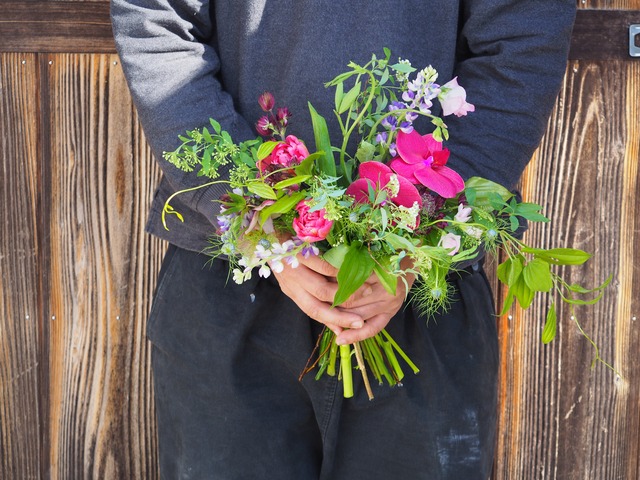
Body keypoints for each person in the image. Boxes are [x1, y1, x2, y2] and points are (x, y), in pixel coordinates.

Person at [110, 2, 576, 479]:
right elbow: (156, 25)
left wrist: (418, 234)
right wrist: (258, 217)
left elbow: (524, 43)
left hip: (420, 286)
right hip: (231, 274)